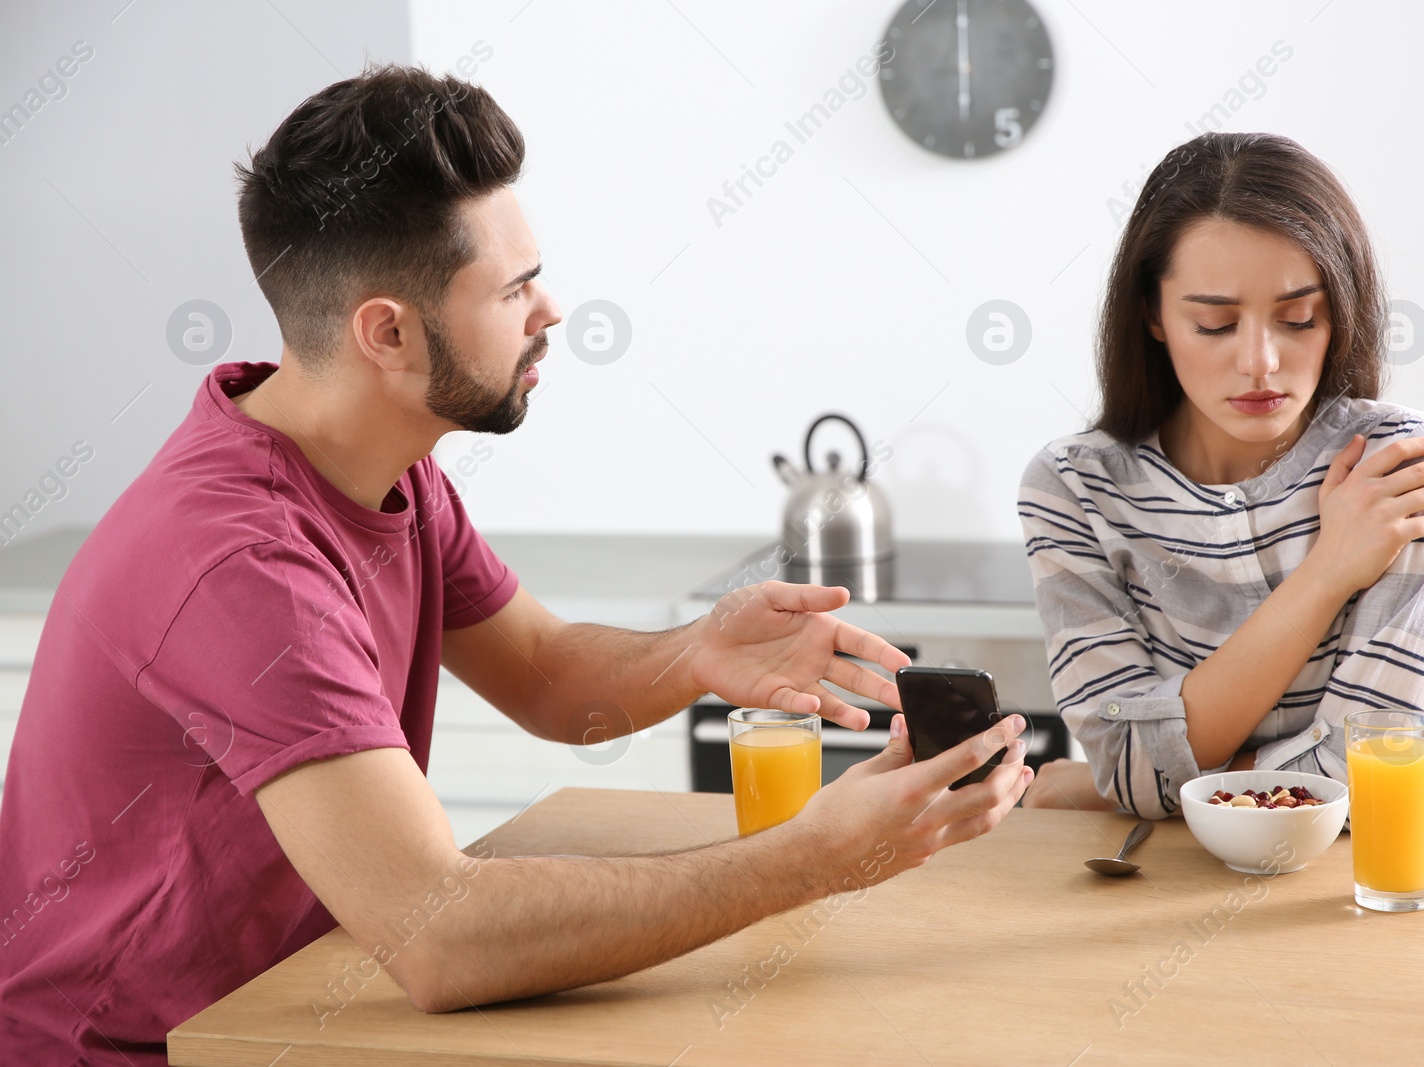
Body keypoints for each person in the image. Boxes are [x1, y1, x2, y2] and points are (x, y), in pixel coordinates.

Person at [0, 65, 1033, 1065]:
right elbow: (442, 935)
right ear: (388, 334)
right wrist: (814, 856)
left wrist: (698, 649)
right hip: (143, 1049)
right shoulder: (241, 559)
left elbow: (542, 670)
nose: (549, 313)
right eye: (515, 289)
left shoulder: (381, 466)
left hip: (303, 1002)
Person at [1017, 132, 1424, 826]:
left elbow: (1369, 780)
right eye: (1215, 323)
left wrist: (1128, 784)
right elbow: (1130, 766)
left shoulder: (1396, 465)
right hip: (1151, 890)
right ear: (1153, 315)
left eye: (1297, 318)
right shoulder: (1076, 488)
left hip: (1365, 893)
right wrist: (1326, 575)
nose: (1260, 361)